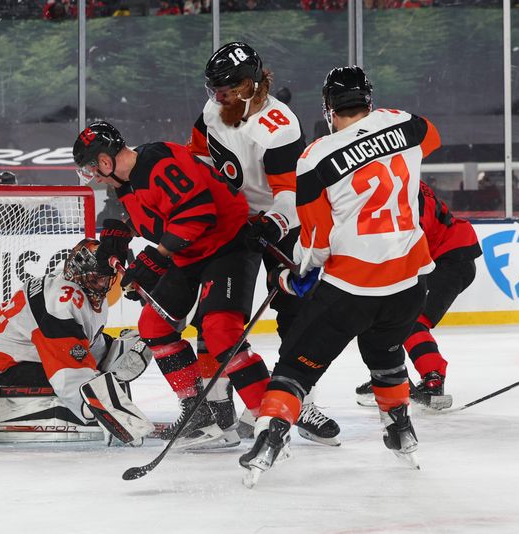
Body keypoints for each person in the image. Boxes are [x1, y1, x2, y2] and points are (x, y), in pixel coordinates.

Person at [239, 66, 439, 486]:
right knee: (385, 353)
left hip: (353, 286)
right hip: (410, 283)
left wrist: (293, 275)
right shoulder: (406, 123)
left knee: (296, 366)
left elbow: (317, 242)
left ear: (329, 108)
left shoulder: (315, 156)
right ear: (369, 98)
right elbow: (429, 141)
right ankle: (400, 429)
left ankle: (270, 438)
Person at [73, 120, 271, 450]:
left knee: (221, 331)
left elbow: (198, 213)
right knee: (153, 324)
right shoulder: (127, 181)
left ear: (105, 161)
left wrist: (158, 257)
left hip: (229, 245)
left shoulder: (157, 163)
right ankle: (201, 415)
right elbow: (155, 214)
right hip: (192, 253)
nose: (94, 175)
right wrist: (121, 234)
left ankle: (270, 421)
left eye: (92, 167)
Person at [188, 42, 340, 446]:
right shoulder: (212, 112)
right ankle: (218, 410)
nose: (217, 98)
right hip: (235, 221)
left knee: (296, 313)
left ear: (250, 84)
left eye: (225, 89)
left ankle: (295, 396)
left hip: (283, 222)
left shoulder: (280, 125)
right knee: (215, 314)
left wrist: (271, 224)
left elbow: (289, 194)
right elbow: (199, 160)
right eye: (213, 89)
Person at [0, 238, 154, 444]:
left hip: (27, 351)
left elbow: (81, 337)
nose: (101, 284)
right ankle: (94, 390)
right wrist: (102, 411)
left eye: (105, 278)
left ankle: (107, 358)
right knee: (80, 375)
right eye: (95, 278)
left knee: (98, 349)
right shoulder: (59, 303)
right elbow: (66, 369)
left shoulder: (72, 285)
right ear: (79, 273)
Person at [355, 180, 482, 409]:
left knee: (412, 320)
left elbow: (412, 239)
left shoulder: (402, 191)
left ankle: (433, 378)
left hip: (451, 259)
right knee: (396, 318)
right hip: (445, 257)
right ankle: (389, 376)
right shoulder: (403, 180)